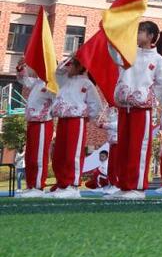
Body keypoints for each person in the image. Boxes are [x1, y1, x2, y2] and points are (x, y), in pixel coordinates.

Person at [106, 21, 162, 201]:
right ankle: (125, 186)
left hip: (142, 110)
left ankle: (137, 187)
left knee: (138, 148)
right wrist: (111, 39)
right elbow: (114, 55)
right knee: (124, 148)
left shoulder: (157, 60)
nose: (136, 35)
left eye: (140, 32)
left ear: (150, 36)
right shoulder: (129, 53)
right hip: (124, 107)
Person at [48, 56, 103, 198]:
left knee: (73, 153)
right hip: (62, 120)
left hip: (77, 121)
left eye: (72, 65)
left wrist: (86, 118)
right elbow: (58, 71)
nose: (68, 67)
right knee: (59, 153)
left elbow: (96, 105)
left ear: (79, 67)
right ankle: (62, 184)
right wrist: (70, 57)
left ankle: (72, 185)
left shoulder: (87, 84)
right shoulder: (64, 80)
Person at [14, 57, 55, 198]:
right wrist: (21, 67)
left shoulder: (52, 85)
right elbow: (23, 79)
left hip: (43, 124)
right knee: (30, 156)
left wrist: (47, 114)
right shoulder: (38, 83)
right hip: (32, 124)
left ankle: (38, 186)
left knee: (38, 157)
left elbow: (58, 102)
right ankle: (31, 185)